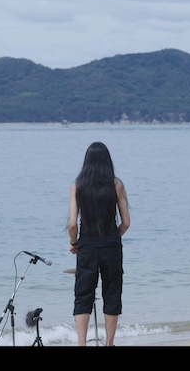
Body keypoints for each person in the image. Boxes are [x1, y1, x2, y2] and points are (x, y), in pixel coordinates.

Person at [67, 142, 131, 346]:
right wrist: (112, 238)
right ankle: (109, 343)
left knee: (83, 296)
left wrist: (75, 243)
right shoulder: (116, 184)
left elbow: (72, 225)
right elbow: (126, 223)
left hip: (87, 247)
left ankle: (82, 344)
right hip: (111, 246)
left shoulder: (78, 185)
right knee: (112, 294)